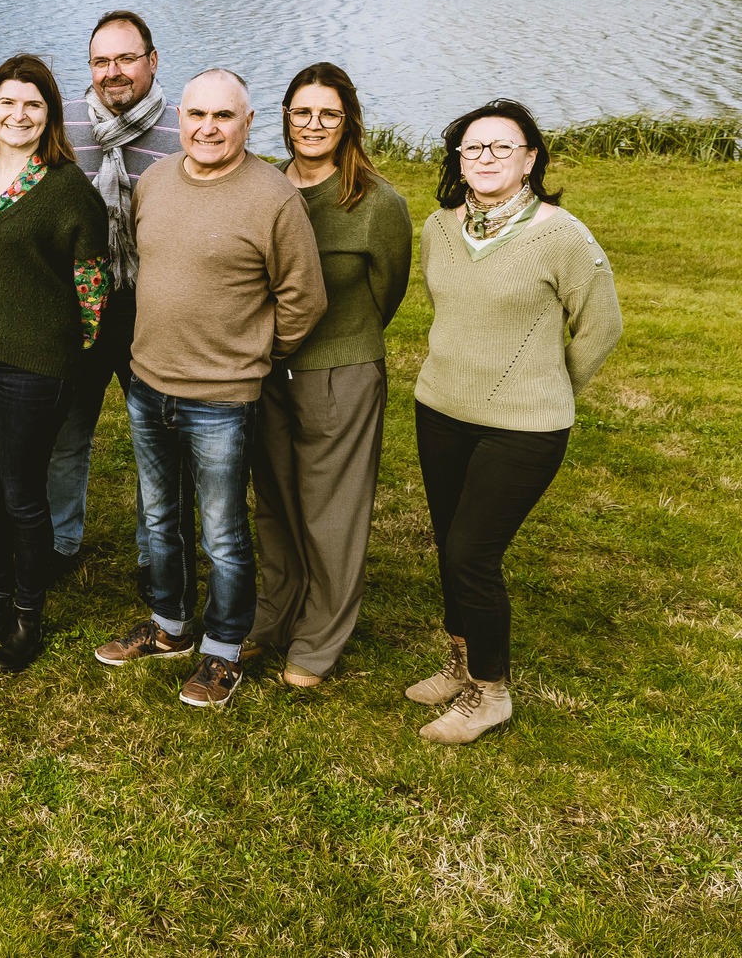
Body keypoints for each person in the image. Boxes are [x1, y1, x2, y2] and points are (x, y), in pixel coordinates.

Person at [92, 69, 326, 711]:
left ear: (248, 123)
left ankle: (223, 650)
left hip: (223, 399)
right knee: (158, 518)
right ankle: (169, 626)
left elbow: (304, 298)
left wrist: (253, 356)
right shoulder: (159, 181)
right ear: (180, 120)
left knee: (223, 531)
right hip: (148, 383)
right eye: (196, 115)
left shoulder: (273, 198)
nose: (208, 128)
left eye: (224, 116)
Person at [407, 99, 620, 744]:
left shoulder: (562, 235)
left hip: (523, 427)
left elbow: (601, 326)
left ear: (530, 159)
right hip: (441, 409)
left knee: (473, 552)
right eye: (474, 148)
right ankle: (460, 660)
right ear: (458, 161)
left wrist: (550, 387)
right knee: (449, 543)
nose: (487, 158)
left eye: (503, 147)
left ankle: (490, 692)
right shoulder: (439, 230)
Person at [248, 64, 412, 688]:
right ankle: (274, 614)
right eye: (301, 113)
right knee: (275, 502)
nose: (313, 126)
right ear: (285, 118)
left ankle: (318, 641)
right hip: (266, 370)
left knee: (331, 512)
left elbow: (386, 290)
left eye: (328, 115)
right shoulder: (262, 186)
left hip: (340, 371)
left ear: (348, 123)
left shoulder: (378, 203)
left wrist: (346, 343)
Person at [0, 57, 108, 672]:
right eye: (8, 103)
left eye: (33, 105)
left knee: (22, 493)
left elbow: (93, 284)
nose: (19, 115)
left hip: (33, 366)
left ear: (50, 115)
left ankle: (28, 615)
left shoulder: (68, 189)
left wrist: (72, 353)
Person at [50, 10, 183, 590]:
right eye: (102, 61)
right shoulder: (60, 124)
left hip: (154, 307)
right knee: (64, 435)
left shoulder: (187, 127)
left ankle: (156, 552)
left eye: (127, 58)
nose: (114, 72)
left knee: (157, 439)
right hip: (75, 305)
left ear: (152, 61)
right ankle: (58, 541)